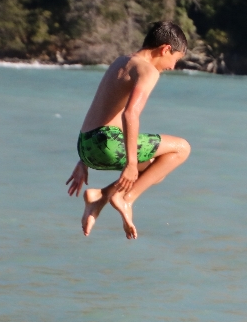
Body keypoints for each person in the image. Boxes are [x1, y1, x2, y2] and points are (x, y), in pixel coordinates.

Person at [65, 21, 192, 240]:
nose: (172, 67)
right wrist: (131, 164)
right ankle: (125, 198)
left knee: (154, 172)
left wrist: (83, 160)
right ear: (165, 49)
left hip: (86, 144)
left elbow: (102, 108)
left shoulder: (121, 61)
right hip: (106, 144)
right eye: (175, 59)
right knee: (181, 148)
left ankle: (101, 197)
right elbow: (129, 114)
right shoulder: (148, 71)